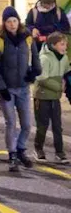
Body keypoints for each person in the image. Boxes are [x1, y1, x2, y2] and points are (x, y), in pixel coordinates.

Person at [0, 7, 40, 171]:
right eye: (8, 21)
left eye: (14, 21)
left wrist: (34, 73)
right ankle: (12, 155)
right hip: (7, 90)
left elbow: (36, 59)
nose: (12, 24)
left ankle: (21, 149)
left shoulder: (28, 39)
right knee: (11, 123)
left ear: (19, 22)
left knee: (26, 124)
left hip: (23, 88)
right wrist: (1, 88)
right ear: (4, 23)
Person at [34, 31, 70, 164]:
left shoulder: (64, 58)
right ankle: (38, 149)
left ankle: (59, 152)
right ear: (53, 45)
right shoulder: (45, 58)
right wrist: (59, 87)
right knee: (42, 125)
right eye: (62, 44)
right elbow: (42, 78)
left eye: (65, 44)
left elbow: (66, 72)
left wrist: (66, 82)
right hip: (42, 97)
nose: (65, 47)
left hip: (55, 97)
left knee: (57, 125)